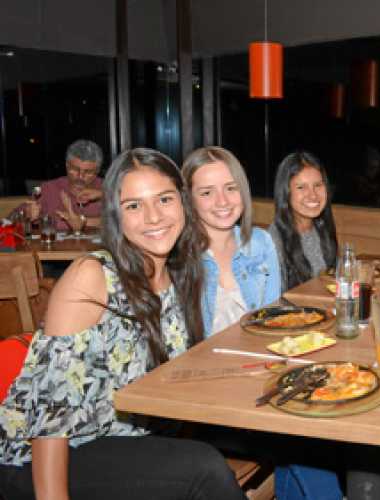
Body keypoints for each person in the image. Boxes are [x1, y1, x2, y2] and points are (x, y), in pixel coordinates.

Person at [0, 148, 245, 500]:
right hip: (44, 457)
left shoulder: (180, 272)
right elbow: (49, 418)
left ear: (183, 202)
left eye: (164, 199)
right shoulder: (93, 277)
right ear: (116, 215)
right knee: (203, 468)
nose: (153, 217)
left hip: (125, 438)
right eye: (134, 206)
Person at [182, 146, 281, 337]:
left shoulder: (261, 242)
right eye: (207, 193)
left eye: (231, 188)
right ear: (188, 200)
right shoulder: (177, 256)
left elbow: (271, 319)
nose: (222, 201)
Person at [268, 151, 338, 292]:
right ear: (286, 193)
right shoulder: (272, 243)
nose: (312, 195)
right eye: (301, 187)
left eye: (318, 185)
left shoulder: (321, 228)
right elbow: (273, 304)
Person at [20, 139, 105, 232]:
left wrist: (84, 221)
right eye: (75, 169)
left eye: (88, 172)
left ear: (97, 171)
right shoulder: (49, 189)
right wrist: (26, 215)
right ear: (67, 166)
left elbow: (120, 222)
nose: (80, 176)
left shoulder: (107, 189)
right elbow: (8, 221)